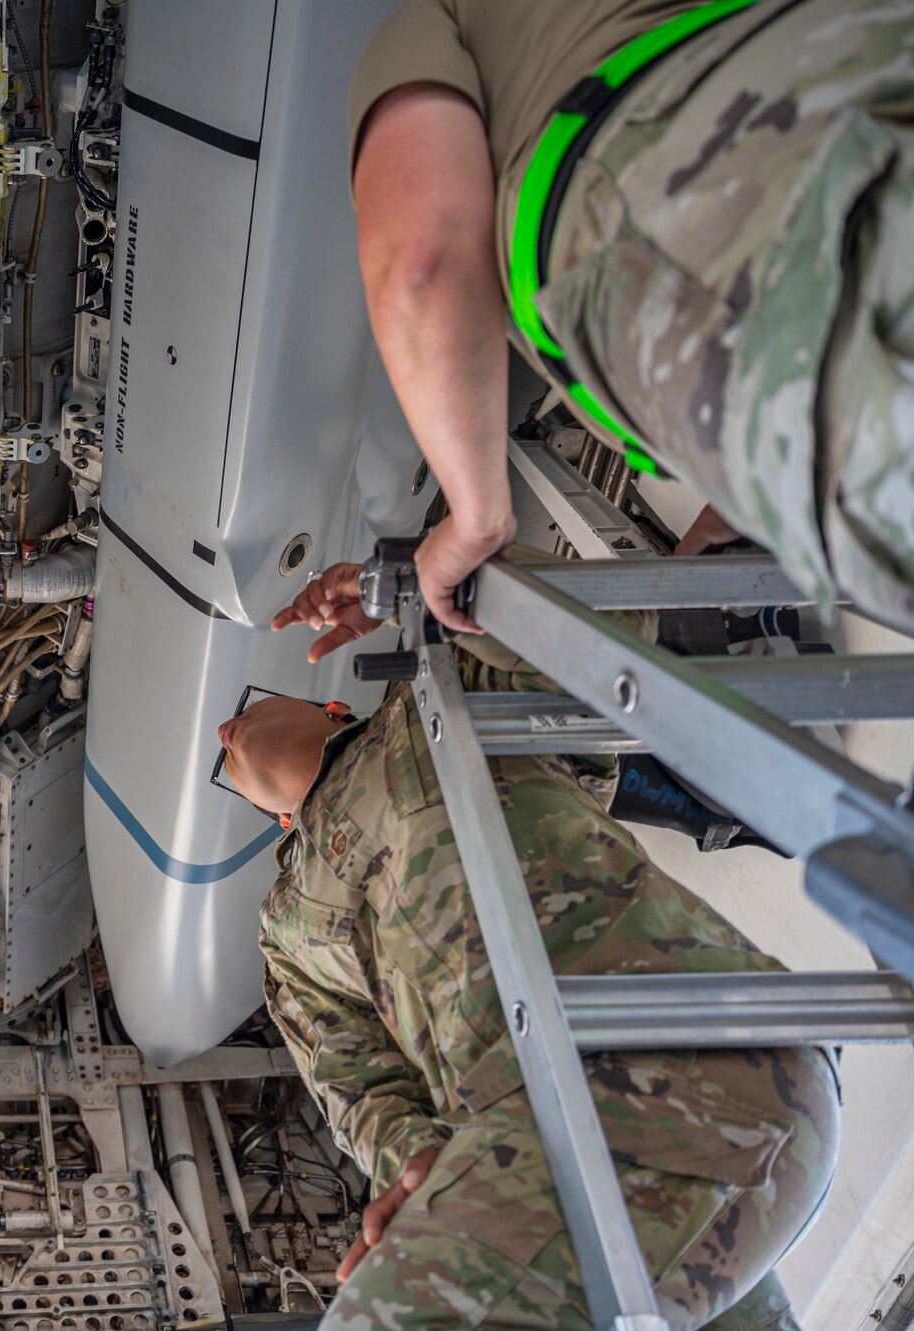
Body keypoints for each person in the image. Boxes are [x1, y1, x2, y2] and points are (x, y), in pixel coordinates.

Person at [216, 562, 839, 1330]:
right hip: (562, 1147)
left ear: (337, 706)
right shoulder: (287, 944)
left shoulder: (443, 694)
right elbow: (364, 1094)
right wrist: (424, 1168)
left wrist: (429, 585)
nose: (224, 734)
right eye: (225, 764)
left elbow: (607, 639)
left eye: (239, 714)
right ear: (278, 822)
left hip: (692, 1055)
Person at [348, 0, 914, 638]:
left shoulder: (433, 20)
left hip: (713, 214)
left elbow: (422, 259)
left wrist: (476, 517)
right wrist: (734, 497)